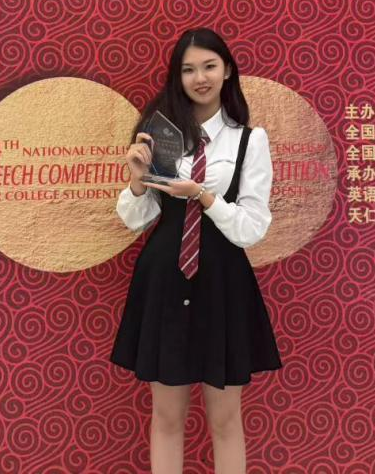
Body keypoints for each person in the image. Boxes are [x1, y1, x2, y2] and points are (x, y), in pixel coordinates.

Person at [111, 27, 281, 474]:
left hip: (223, 281)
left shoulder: (250, 140)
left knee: (225, 420)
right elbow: (136, 219)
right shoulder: (159, 135)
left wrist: (203, 197)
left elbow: (251, 228)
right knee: (167, 417)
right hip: (165, 278)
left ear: (227, 71)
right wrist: (136, 181)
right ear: (177, 77)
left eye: (209, 66)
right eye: (188, 70)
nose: (199, 78)